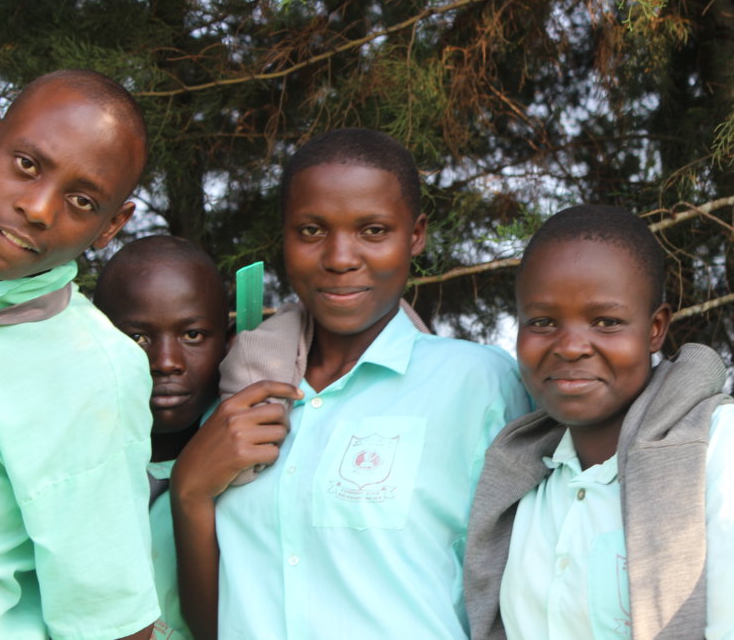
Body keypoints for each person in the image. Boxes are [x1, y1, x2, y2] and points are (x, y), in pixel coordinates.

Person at [170, 128, 530, 638]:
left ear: (416, 234)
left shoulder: (481, 383)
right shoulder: (238, 397)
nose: (340, 257)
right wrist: (189, 489)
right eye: (312, 230)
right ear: (285, 235)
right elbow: (211, 623)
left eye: (374, 230)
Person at [465, 204, 734, 639]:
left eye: (606, 322)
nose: (570, 347)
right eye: (542, 322)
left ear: (656, 328)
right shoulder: (521, 480)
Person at [0, 70, 159, 638]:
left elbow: (112, 624)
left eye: (81, 200)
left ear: (111, 226)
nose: (37, 207)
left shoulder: (91, 374)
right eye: (27, 165)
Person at [95, 235, 230, 640]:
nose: (166, 362)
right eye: (138, 338)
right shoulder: (72, 463)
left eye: (192, 335)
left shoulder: (253, 463)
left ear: (229, 340)